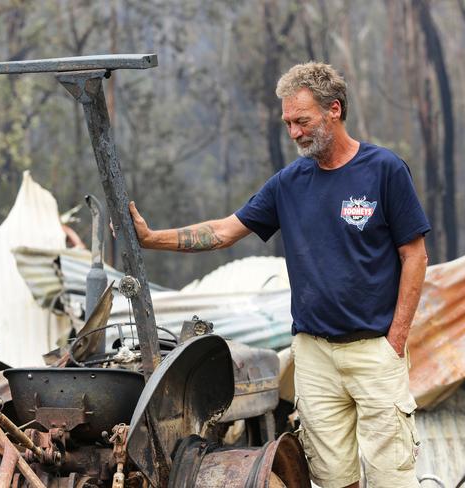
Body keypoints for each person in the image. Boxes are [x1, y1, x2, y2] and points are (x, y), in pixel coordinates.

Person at [129, 62, 430, 488]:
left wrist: (396, 339)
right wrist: (151, 238)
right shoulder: (289, 183)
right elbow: (223, 232)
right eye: (288, 122)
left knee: (391, 477)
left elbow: (414, 255)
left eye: (302, 121)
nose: (294, 132)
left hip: (374, 350)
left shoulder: (383, 170)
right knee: (331, 477)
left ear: (334, 110)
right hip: (314, 355)